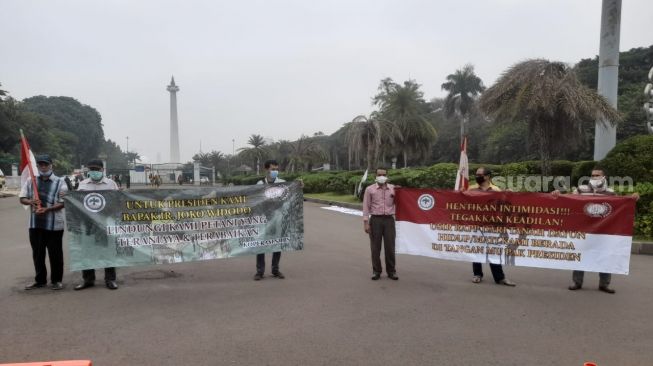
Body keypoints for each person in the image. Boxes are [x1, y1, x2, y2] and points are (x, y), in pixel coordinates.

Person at [555, 167, 639, 294]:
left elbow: (621, 205)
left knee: (605, 254)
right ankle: (577, 282)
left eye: (597, 175)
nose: (594, 177)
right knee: (580, 255)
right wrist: (558, 195)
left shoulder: (611, 193)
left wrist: (632, 199)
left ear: (604, 177)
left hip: (603, 231)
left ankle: (604, 284)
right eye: (593, 175)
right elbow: (568, 200)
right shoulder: (581, 189)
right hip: (583, 230)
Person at [19, 154, 67, 290]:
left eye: (46, 164)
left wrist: (47, 209)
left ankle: (57, 280)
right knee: (38, 254)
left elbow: (63, 203)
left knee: (55, 254)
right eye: (41, 164)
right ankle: (39, 280)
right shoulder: (31, 181)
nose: (43, 167)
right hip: (35, 224)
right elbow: (22, 198)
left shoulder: (60, 182)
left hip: (54, 225)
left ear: (51, 165)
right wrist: (31, 202)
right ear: (37, 166)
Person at [74, 159, 120, 290]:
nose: (94, 172)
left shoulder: (111, 184)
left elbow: (118, 201)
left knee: (108, 250)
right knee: (87, 250)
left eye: (96, 169)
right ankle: (88, 279)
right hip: (88, 223)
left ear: (102, 170)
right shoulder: (82, 184)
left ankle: (110, 279)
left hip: (106, 222)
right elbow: (76, 202)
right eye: (91, 169)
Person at [468, 167, 516, 286]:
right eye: (476, 174)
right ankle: (477, 274)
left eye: (480, 174)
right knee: (477, 250)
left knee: (494, 251)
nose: (477, 176)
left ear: (487, 176)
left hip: (492, 226)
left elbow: (502, 205)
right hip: (477, 224)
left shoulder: (496, 189)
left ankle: (499, 277)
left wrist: (507, 194)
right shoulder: (471, 188)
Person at [362, 168, 398, 281]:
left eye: (384, 174)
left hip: (389, 220)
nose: (381, 176)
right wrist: (366, 223)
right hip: (375, 220)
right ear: (375, 176)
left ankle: (391, 271)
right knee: (375, 248)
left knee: (390, 247)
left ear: (387, 175)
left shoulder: (393, 189)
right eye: (379, 174)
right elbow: (366, 206)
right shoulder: (370, 189)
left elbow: (401, 202)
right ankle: (376, 271)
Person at [253, 160, 286, 281]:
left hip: (277, 217)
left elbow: (291, 194)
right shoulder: (259, 184)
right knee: (261, 244)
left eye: (276, 169)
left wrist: (300, 186)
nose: (275, 172)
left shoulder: (282, 183)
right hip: (263, 218)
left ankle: (275, 269)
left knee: (277, 244)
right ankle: (259, 271)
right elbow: (255, 201)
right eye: (272, 169)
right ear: (266, 169)